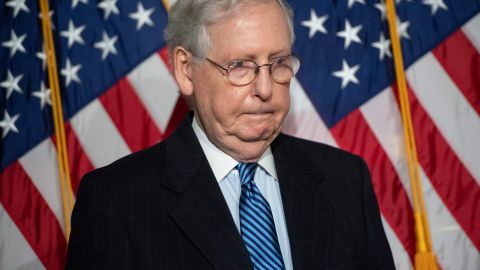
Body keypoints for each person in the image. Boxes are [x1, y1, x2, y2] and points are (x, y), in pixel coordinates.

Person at [65, 0, 395, 269]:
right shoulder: (118, 201)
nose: (266, 89)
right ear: (185, 69)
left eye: (278, 62)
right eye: (239, 65)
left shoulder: (345, 178)